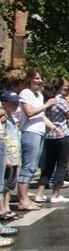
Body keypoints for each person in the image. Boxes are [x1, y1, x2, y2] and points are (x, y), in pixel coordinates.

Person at [35, 78, 69, 205]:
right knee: (62, 165)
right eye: (64, 86)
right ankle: (56, 194)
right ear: (60, 87)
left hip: (49, 135)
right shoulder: (61, 101)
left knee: (48, 165)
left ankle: (40, 193)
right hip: (63, 134)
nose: (66, 88)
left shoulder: (46, 100)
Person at [16, 68, 55, 211]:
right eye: (36, 78)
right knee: (28, 167)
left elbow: (41, 116)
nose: (40, 81)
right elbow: (30, 112)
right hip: (29, 132)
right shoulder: (25, 93)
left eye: (41, 78)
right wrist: (47, 104)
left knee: (32, 167)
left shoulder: (38, 95)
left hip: (39, 132)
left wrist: (54, 128)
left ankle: (25, 198)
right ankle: (22, 200)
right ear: (29, 79)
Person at [1, 91, 21, 222]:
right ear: (4, 103)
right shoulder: (3, 118)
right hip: (7, 154)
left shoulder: (10, 116)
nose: (16, 105)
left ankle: (7, 207)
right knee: (5, 184)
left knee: (10, 183)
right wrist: (6, 158)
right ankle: (3, 209)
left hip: (14, 154)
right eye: (13, 103)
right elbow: (3, 138)